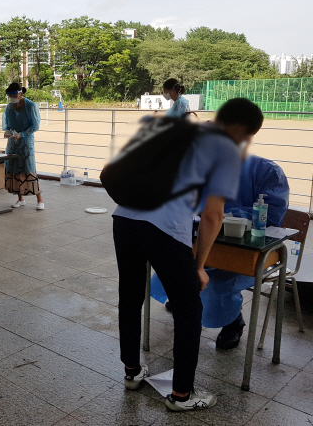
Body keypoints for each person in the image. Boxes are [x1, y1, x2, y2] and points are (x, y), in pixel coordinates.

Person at [113, 98, 264, 412]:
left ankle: (131, 373)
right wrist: (199, 266)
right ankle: (181, 395)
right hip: (165, 228)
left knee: (129, 296)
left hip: (124, 219)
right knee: (188, 309)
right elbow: (213, 217)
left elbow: (115, 170)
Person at [150, 155, 289, 349]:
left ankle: (233, 321)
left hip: (247, 249)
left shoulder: (267, 171)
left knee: (218, 281)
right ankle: (184, 297)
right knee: (175, 266)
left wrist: (225, 216)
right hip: (209, 240)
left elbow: (272, 215)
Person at [2, 82, 45, 210]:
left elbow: (35, 126)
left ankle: (40, 199)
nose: (12, 98)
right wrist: (8, 132)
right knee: (14, 168)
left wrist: (22, 135)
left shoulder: (30, 106)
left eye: (14, 95)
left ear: (21, 94)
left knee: (29, 168)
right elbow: (7, 123)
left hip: (26, 142)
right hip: (13, 142)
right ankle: (20, 198)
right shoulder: (10, 107)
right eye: (10, 96)